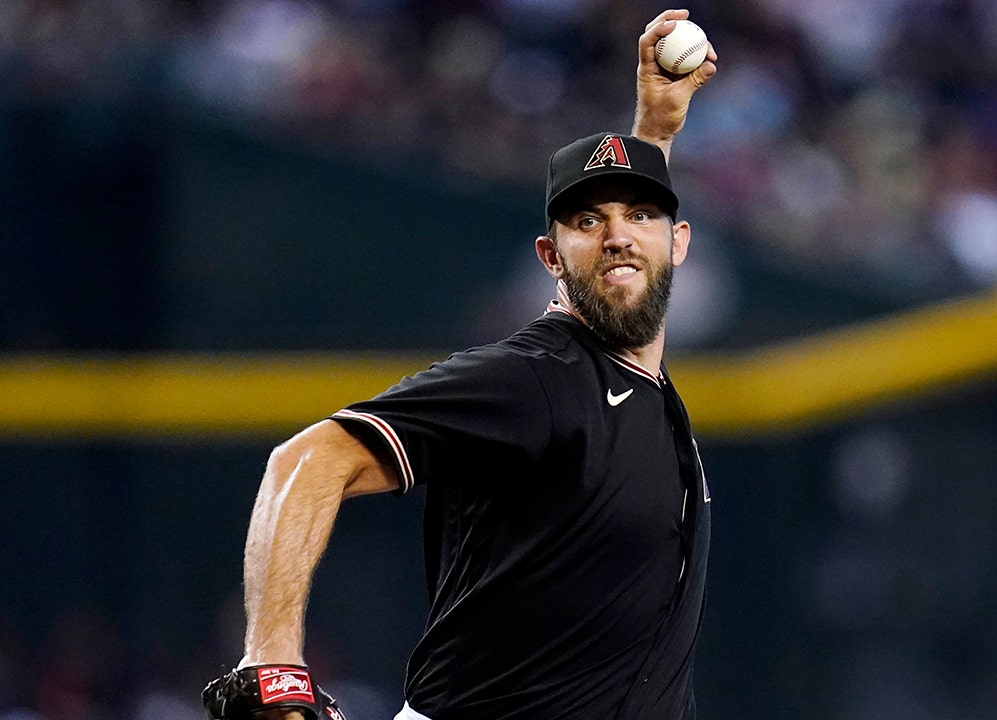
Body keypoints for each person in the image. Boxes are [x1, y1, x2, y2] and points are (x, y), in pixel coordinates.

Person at [206, 9, 718, 720]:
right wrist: (272, 666)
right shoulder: (535, 378)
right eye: (586, 222)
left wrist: (653, 132)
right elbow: (306, 461)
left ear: (680, 242)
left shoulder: (642, 389)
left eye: (639, 216)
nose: (617, 237)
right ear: (550, 258)